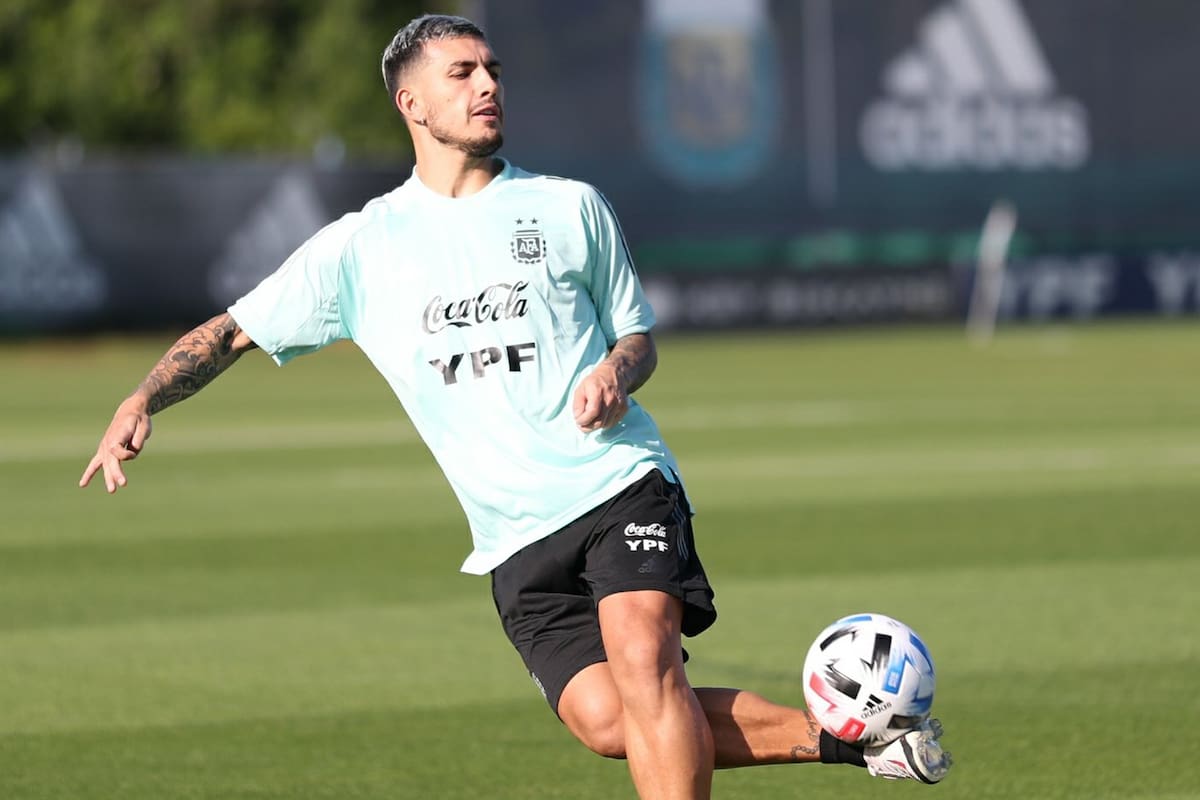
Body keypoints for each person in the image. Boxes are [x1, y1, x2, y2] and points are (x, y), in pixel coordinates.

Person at [79, 14, 951, 799]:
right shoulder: (359, 247)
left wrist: (617, 371)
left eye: (491, 68)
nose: (489, 84)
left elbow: (638, 338)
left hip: (616, 483)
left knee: (647, 668)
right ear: (411, 102)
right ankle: (859, 744)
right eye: (463, 73)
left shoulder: (569, 207)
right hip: (511, 535)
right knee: (613, 723)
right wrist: (143, 396)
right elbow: (231, 333)